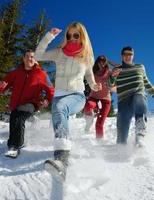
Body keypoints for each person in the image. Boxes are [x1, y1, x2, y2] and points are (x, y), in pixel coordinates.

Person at [35, 22, 102, 181]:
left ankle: (62, 159)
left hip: (77, 96)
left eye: (76, 35)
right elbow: (38, 55)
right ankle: (62, 161)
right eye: (69, 35)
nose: (72, 38)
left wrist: (94, 85)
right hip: (59, 96)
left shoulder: (86, 57)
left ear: (82, 37)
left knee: (60, 108)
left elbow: (89, 78)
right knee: (58, 112)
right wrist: (49, 36)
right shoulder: (59, 53)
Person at [0, 50, 54, 158]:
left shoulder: (42, 74)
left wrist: (47, 99)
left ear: (35, 60)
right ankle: (11, 144)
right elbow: (1, 88)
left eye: (32, 57)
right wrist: (1, 86)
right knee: (14, 117)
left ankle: (16, 145)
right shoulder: (15, 73)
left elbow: (50, 89)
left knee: (19, 115)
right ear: (23, 59)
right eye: (27, 56)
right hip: (16, 105)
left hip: (32, 103)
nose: (29, 59)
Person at [108, 46, 154, 146]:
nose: (127, 56)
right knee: (121, 140)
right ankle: (121, 154)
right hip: (123, 103)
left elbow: (147, 84)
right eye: (125, 54)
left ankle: (140, 135)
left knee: (138, 97)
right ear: (122, 56)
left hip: (137, 96)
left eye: (130, 54)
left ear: (133, 55)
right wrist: (113, 76)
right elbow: (109, 86)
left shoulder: (140, 67)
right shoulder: (117, 70)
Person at [84, 55, 115, 138]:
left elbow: (115, 86)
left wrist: (110, 86)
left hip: (105, 100)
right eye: (100, 61)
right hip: (94, 97)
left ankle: (99, 142)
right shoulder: (93, 73)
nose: (101, 63)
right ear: (97, 62)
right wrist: (94, 86)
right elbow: (89, 83)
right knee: (88, 106)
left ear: (106, 63)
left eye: (103, 61)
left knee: (99, 124)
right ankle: (89, 121)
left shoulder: (110, 72)